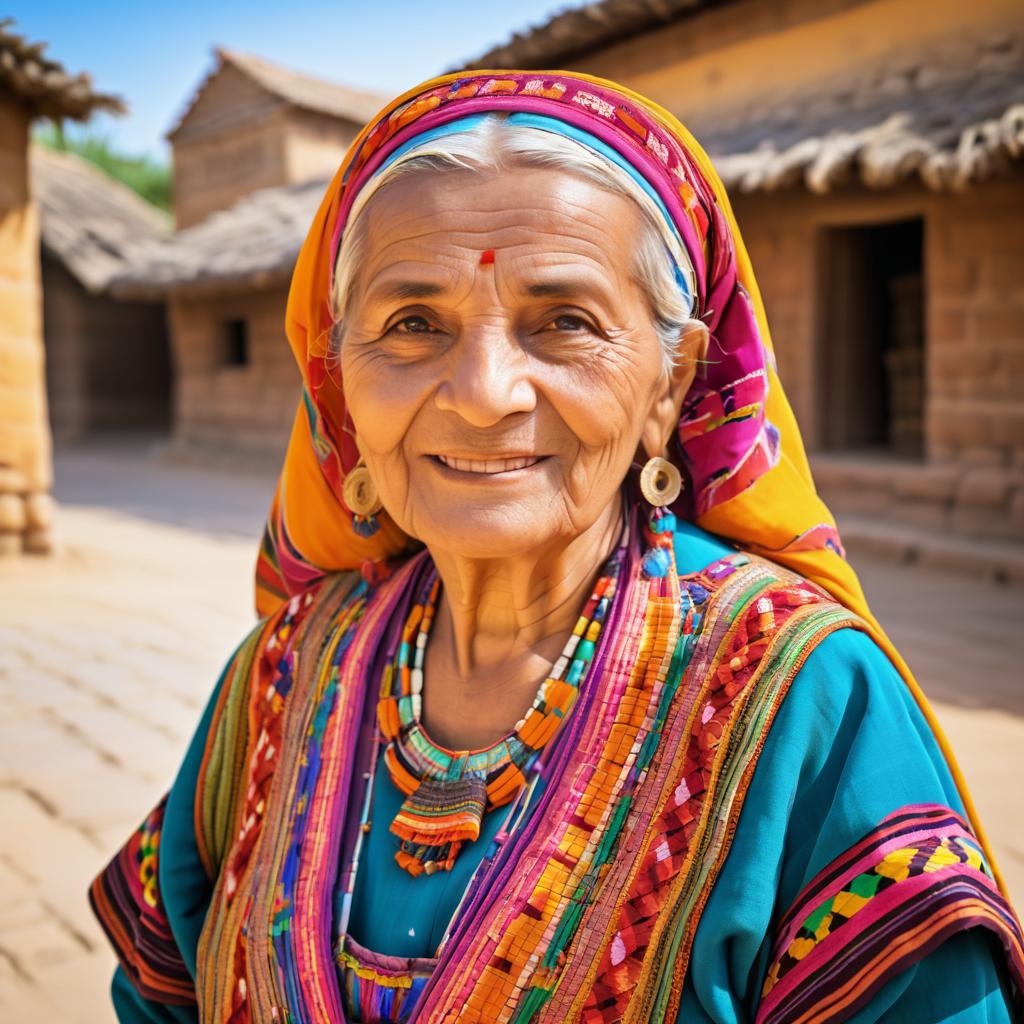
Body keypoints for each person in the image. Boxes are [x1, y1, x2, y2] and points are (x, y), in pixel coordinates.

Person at [90, 71, 1024, 1024]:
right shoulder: (286, 672)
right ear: (339, 383)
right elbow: (162, 991)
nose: (485, 391)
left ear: (671, 384)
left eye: (565, 322)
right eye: (412, 324)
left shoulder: (806, 700)